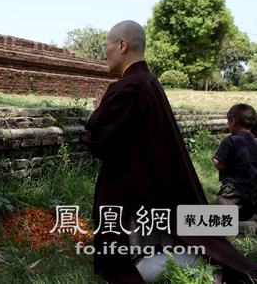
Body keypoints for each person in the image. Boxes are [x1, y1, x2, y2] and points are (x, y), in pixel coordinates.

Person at [82, 20, 257, 283]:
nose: (103, 51)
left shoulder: (128, 87)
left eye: (106, 45)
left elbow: (101, 140)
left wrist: (98, 110)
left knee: (126, 262)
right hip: (157, 186)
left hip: (135, 192)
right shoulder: (150, 83)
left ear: (122, 45)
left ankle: (199, 265)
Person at [213, 104, 257, 221]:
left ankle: (238, 227)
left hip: (232, 189)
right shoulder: (255, 141)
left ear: (232, 121)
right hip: (252, 188)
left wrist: (215, 160)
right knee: (247, 213)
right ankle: (250, 220)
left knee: (223, 218)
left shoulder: (230, 140)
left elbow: (221, 165)